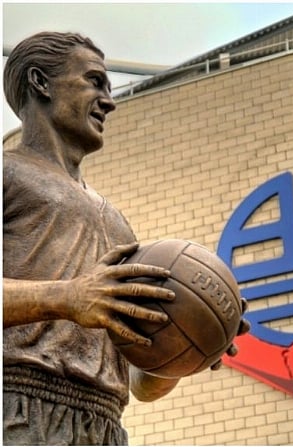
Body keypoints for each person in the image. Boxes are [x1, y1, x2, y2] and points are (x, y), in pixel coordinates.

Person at [3, 32, 248, 445]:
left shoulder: (118, 224)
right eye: (94, 82)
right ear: (40, 82)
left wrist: (191, 342)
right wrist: (67, 297)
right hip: (15, 406)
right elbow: (74, 298)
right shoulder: (9, 173)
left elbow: (140, 385)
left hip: (104, 426)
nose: (109, 101)